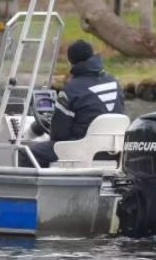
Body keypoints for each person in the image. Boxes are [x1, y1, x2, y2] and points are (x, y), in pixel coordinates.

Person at [20, 39, 125, 168]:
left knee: (26, 153)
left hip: (80, 150)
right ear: (92, 56)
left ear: (71, 62)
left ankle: (45, 187)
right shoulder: (115, 83)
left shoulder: (71, 90)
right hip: (113, 151)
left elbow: (59, 134)